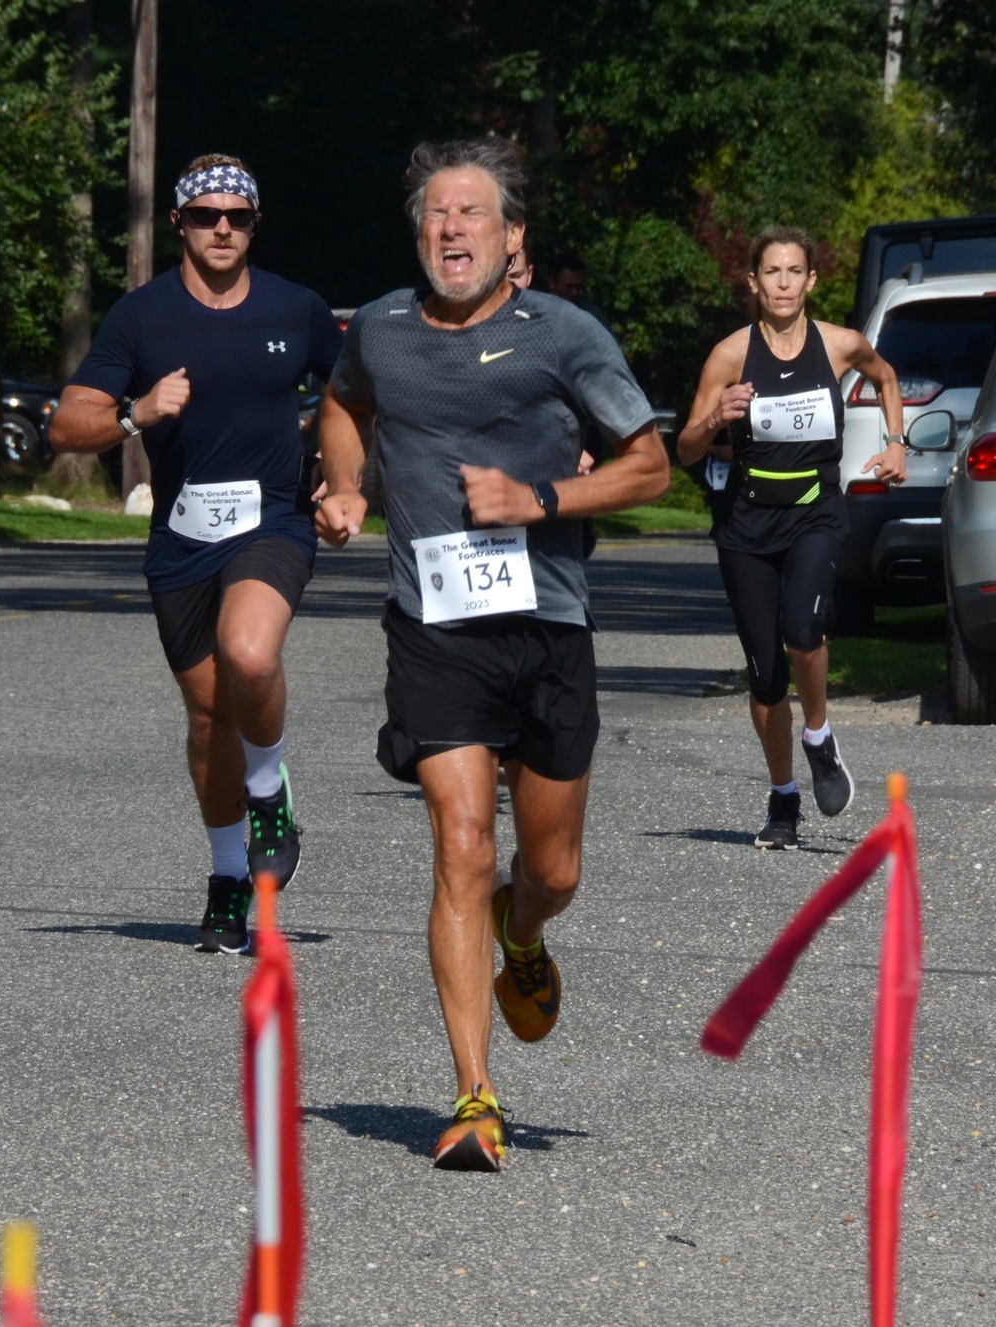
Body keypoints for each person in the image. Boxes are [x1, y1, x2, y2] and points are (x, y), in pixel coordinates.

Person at [315, 138, 670, 1172]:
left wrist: (541, 499)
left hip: (548, 624)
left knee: (548, 867)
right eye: (436, 215)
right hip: (433, 627)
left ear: (513, 237)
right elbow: (345, 401)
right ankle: (475, 1094)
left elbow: (651, 466)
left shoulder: (563, 334)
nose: (452, 230)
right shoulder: (378, 328)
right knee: (462, 843)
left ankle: (526, 929)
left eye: (473, 214)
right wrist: (346, 485)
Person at [51, 154, 344, 954]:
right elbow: (66, 425)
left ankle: (268, 788)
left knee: (249, 654)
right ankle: (226, 879)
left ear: (255, 225)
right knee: (210, 714)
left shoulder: (297, 306)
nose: (223, 228)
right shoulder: (142, 318)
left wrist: (340, 478)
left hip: (272, 522)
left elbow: (357, 393)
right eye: (207, 215)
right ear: (178, 223)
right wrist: (136, 413)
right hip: (181, 537)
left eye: (238, 217)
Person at [675, 226, 905, 850]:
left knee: (804, 634)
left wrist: (896, 444)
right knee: (765, 677)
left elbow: (885, 378)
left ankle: (819, 735)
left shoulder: (839, 344)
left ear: (811, 280)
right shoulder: (729, 355)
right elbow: (686, 447)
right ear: (753, 282)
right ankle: (783, 800)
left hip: (816, 514)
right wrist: (716, 418)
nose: (783, 283)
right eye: (771, 272)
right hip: (747, 527)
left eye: (793, 271)